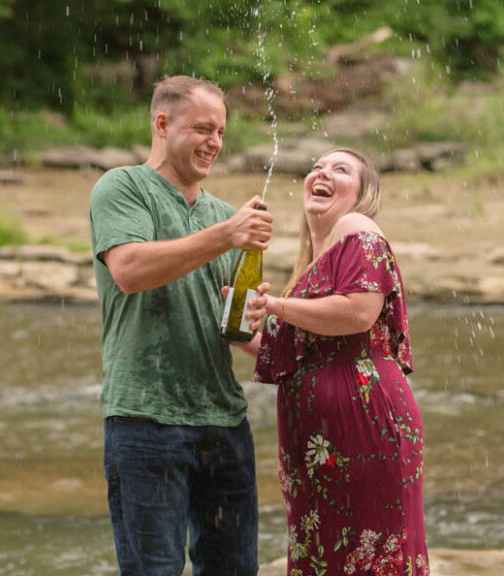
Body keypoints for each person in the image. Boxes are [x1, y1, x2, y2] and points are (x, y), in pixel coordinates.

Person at [89, 75, 273, 576]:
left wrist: (263, 323)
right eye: (202, 129)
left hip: (224, 423)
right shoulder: (122, 187)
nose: (214, 142)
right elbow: (129, 271)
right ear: (162, 123)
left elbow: (236, 331)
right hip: (145, 420)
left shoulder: (219, 215)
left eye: (221, 132)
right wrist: (226, 235)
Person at [247, 147, 430, 576]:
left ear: (362, 195)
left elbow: (358, 312)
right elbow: (292, 354)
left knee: (368, 558)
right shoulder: (312, 265)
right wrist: (240, 328)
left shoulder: (356, 226)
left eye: (340, 169)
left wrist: (274, 305)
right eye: (315, 167)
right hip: (318, 447)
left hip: (363, 429)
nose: (321, 173)